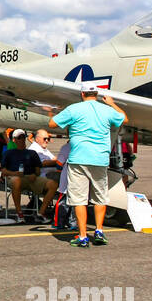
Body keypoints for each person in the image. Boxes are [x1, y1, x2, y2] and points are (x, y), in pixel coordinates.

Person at [49, 82, 127, 247]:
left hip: (78, 159)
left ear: (82, 94)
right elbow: (124, 119)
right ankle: (99, 230)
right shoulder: (107, 110)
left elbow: (52, 124)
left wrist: (59, 113)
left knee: (79, 199)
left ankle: (83, 235)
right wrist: (111, 103)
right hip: (99, 159)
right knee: (100, 197)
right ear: (97, 94)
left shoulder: (74, 109)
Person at [0, 130, 58, 222]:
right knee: (17, 180)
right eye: (19, 138)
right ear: (14, 140)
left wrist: (34, 174)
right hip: (14, 177)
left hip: (30, 178)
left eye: (23, 137)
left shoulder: (31, 153)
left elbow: (38, 170)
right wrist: (14, 174)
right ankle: (19, 213)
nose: (22, 139)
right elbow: (3, 170)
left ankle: (41, 212)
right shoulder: (9, 153)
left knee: (53, 184)